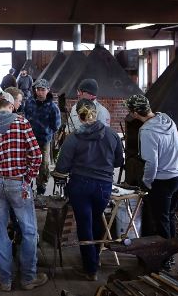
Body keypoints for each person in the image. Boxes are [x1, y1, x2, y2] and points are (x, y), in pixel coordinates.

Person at [0, 92, 48, 291]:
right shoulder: (22, 124)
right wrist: (28, 178)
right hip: (19, 184)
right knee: (29, 231)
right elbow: (37, 156)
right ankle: (28, 278)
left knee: (0, 233)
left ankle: (5, 281)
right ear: (12, 106)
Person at [54, 99, 124, 281]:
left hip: (80, 186)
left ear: (79, 115)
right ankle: (96, 258)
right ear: (96, 113)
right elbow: (118, 162)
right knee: (97, 220)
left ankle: (90, 269)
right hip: (104, 186)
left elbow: (62, 166)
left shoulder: (74, 138)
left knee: (85, 224)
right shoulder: (112, 135)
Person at [124, 95, 178, 245]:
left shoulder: (147, 131)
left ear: (135, 113)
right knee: (169, 217)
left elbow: (151, 163)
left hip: (163, 182)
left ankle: (164, 260)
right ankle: (170, 255)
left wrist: (146, 182)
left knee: (161, 223)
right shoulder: (166, 119)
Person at [23, 78, 61, 195]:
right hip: (29, 139)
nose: (40, 92)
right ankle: (27, 185)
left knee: (44, 165)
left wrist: (46, 131)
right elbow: (24, 117)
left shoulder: (53, 107)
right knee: (27, 162)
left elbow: (56, 125)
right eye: (38, 89)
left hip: (44, 140)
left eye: (42, 90)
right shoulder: (29, 102)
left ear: (48, 90)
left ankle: (41, 187)